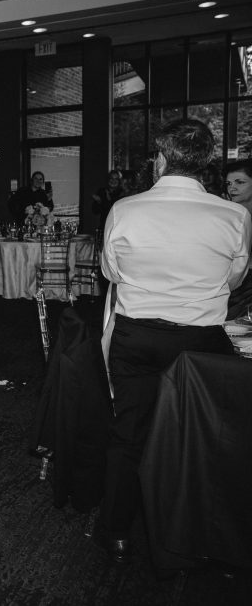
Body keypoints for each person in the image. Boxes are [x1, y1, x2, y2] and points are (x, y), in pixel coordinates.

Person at [94, 120, 251, 563]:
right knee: (203, 433)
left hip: (138, 336)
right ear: (205, 165)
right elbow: (235, 277)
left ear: (160, 160)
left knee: (130, 430)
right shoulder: (235, 215)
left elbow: (111, 273)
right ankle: (200, 528)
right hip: (202, 343)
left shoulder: (125, 209)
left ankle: (117, 530)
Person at [224, 158, 252, 319]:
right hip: (231, 283)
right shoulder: (227, 216)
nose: (232, 188)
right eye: (228, 184)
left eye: (239, 182)